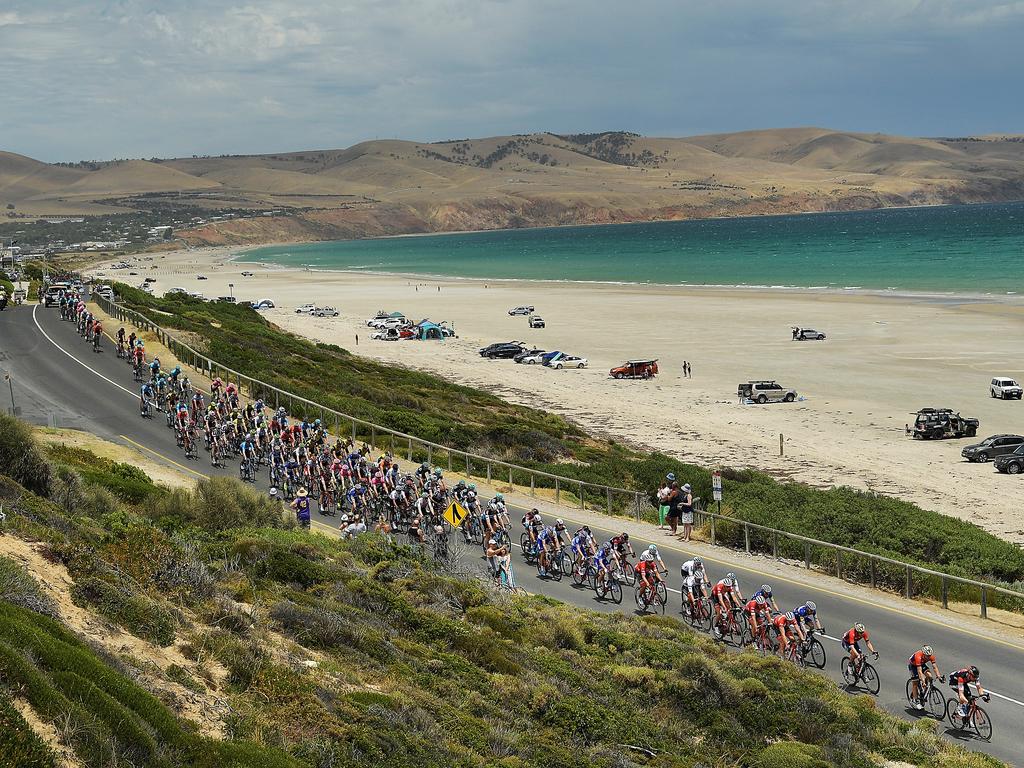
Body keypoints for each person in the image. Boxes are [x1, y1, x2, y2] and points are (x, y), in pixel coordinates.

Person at [908, 645, 943, 710]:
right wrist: (923, 681)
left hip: (922, 664)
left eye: (929, 656)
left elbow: (935, 667)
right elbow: (919, 671)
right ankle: (916, 701)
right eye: (927, 656)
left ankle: (924, 690)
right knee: (915, 683)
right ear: (923, 654)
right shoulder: (918, 656)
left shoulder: (931, 656)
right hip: (913, 665)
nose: (928, 657)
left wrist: (939, 676)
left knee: (930, 676)